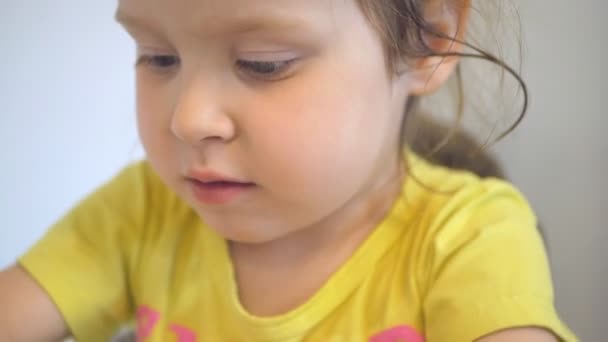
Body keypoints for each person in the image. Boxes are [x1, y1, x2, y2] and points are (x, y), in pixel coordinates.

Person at [0, 0, 578, 341]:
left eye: (263, 63)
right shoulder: (144, 209)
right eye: (158, 57)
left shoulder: (470, 239)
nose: (188, 119)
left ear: (428, 40)